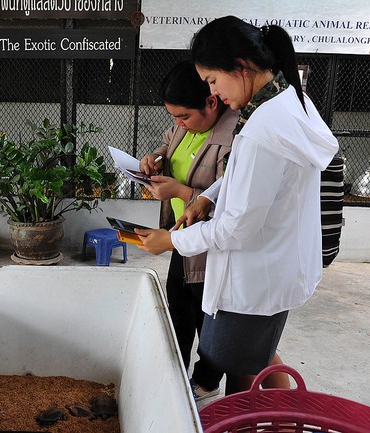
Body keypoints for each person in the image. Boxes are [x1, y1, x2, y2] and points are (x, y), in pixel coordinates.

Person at [135, 16, 339, 395]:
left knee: (240, 359)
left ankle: (275, 417)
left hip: (257, 272)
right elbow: (249, 179)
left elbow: (236, 226)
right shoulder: (289, 102)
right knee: (255, 354)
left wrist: (172, 241)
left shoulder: (262, 129)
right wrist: (209, 196)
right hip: (275, 266)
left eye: (213, 80)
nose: (214, 92)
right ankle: (288, 413)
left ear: (240, 68)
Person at [138, 60, 238, 401]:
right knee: (178, 310)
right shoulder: (184, 127)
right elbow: (168, 145)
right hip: (181, 240)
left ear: (212, 101)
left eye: (183, 116)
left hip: (212, 250)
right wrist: (153, 158)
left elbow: (233, 202)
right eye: (174, 117)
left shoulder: (235, 137)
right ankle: (174, 379)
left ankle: (205, 385)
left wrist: (181, 192)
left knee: (208, 322)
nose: (178, 124)